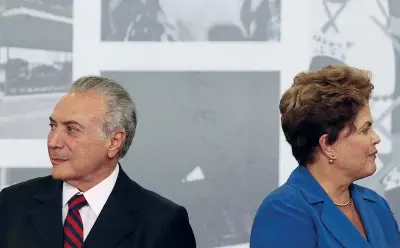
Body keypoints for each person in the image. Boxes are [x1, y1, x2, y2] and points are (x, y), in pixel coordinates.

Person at [0, 76, 196, 248]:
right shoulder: (12, 204)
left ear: (114, 141)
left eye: (71, 129)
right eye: (53, 126)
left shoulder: (162, 222)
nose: (53, 142)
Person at [250, 65, 400, 247]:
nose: (376, 138)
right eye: (365, 129)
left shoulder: (376, 206)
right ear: (328, 145)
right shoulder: (283, 212)